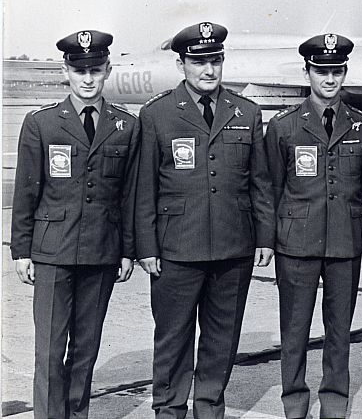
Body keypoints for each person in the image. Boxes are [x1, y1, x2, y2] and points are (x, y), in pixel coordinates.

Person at [135, 22, 275, 418]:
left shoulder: (246, 112)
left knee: (221, 340)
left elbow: (260, 182)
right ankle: (169, 410)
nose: (208, 70)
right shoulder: (158, 113)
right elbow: (143, 187)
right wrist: (146, 246)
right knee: (173, 339)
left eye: (215, 60)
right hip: (176, 247)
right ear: (181, 64)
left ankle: (209, 409)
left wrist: (265, 237)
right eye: (198, 62)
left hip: (234, 246)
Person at [10, 30, 139, 419]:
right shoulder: (42, 123)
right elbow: (27, 191)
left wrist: (127, 251)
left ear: (108, 71)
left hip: (102, 251)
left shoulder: (125, 125)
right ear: (65, 72)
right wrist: (21, 251)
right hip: (53, 252)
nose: (88, 79)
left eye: (95, 71)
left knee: (85, 350)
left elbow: (129, 195)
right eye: (80, 71)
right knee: (50, 350)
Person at [264, 33, 362, 419]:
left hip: (344, 240)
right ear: (307, 72)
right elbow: (273, 187)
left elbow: (360, 185)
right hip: (297, 243)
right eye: (321, 71)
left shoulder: (361, 125)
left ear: (344, 72)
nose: (329, 79)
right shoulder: (284, 126)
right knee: (294, 331)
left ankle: (334, 405)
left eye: (336, 71)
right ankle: (295, 404)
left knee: (340, 330)